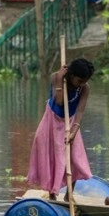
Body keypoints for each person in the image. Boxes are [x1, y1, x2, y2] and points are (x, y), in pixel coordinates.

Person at [27, 58, 95, 201]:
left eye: (84, 81)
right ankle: (52, 193)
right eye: (79, 81)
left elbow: (80, 111)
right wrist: (59, 80)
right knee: (51, 155)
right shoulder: (56, 77)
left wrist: (74, 131)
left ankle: (69, 194)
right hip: (51, 120)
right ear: (71, 76)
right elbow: (59, 101)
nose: (81, 84)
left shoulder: (85, 88)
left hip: (70, 123)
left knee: (74, 158)